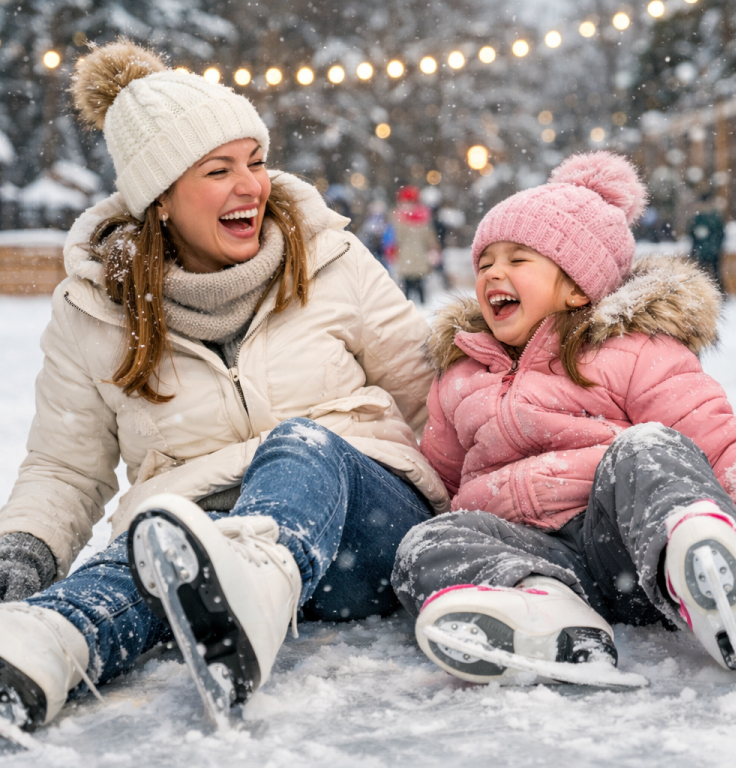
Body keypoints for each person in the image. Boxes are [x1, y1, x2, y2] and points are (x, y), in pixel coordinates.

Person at [0, 41, 449, 731]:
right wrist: (24, 548)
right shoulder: (94, 310)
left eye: (256, 161)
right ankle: (45, 642)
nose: (253, 186)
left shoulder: (332, 260)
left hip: (365, 521)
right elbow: (66, 463)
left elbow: (433, 397)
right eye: (220, 170)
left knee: (303, 445)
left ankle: (257, 578)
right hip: (201, 534)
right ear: (162, 199)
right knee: (154, 545)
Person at [392, 151, 736, 686]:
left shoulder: (633, 350)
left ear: (577, 285)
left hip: (629, 543)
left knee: (648, 448)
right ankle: (546, 613)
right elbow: (440, 481)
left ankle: (701, 561)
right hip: (532, 552)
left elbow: (719, 441)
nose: (495, 272)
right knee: (425, 540)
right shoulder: (459, 375)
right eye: (485, 262)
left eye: (518, 259)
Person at [391, 186, 439, 305]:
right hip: (419, 257)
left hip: (406, 257)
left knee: (407, 287)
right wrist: (434, 249)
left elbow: (395, 239)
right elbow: (430, 239)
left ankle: (410, 307)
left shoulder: (398, 217)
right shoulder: (424, 216)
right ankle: (424, 307)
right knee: (420, 286)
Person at [688, 193, 726, 295]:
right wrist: (694, 251)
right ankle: (700, 293)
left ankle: (720, 293)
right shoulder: (698, 218)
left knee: (716, 273)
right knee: (700, 274)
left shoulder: (714, 217)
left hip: (712, 251)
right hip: (701, 251)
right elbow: (692, 235)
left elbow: (720, 234)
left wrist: (715, 248)